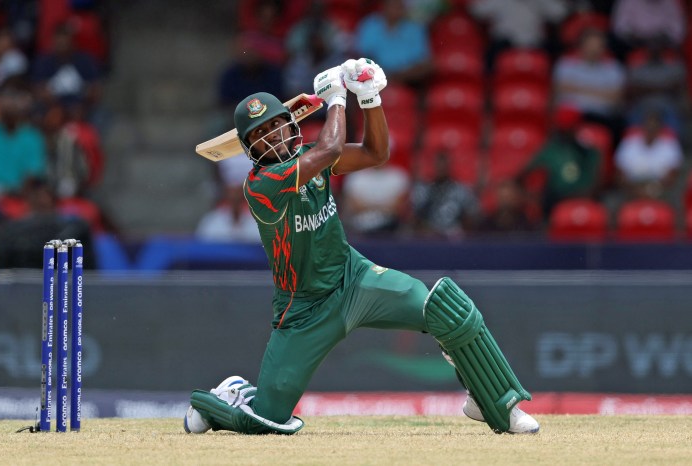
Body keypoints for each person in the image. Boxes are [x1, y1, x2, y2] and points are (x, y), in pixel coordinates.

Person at [184, 58, 540, 436]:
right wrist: (337, 97)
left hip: (355, 278)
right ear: (249, 148)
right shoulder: (261, 186)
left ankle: (495, 401)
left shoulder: (311, 157)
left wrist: (370, 99)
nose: (272, 135)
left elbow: (375, 153)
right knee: (268, 418)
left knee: (445, 311)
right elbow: (330, 147)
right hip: (305, 308)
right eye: (261, 133)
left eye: (276, 124)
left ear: (291, 123)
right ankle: (227, 397)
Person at [518, 105, 603, 217]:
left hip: (583, 199)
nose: (565, 133)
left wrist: (578, 198)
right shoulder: (552, 149)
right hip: (554, 200)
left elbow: (596, 184)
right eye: (563, 129)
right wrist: (530, 195)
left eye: (569, 128)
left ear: (576, 127)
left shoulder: (588, 151)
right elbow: (522, 173)